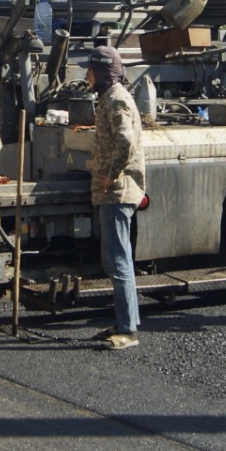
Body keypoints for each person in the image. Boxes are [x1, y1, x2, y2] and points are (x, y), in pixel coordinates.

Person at [81, 45, 146, 350]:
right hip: (111, 194)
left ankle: (128, 331)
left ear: (101, 72)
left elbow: (125, 141)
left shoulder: (117, 100)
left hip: (117, 194)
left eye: (90, 70)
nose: (86, 75)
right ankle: (123, 322)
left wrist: (112, 174)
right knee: (115, 259)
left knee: (119, 261)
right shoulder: (109, 98)